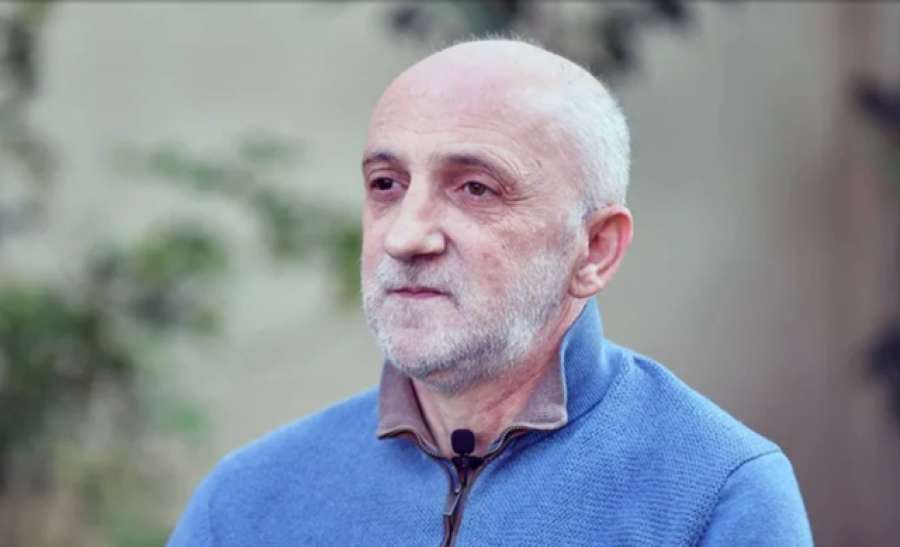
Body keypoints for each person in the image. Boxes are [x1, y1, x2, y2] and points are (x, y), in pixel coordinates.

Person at [167, 38, 813, 546]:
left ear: (595, 249)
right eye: (386, 184)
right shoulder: (246, 503)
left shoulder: (716, 494)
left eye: (475, 188)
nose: (407, 235)